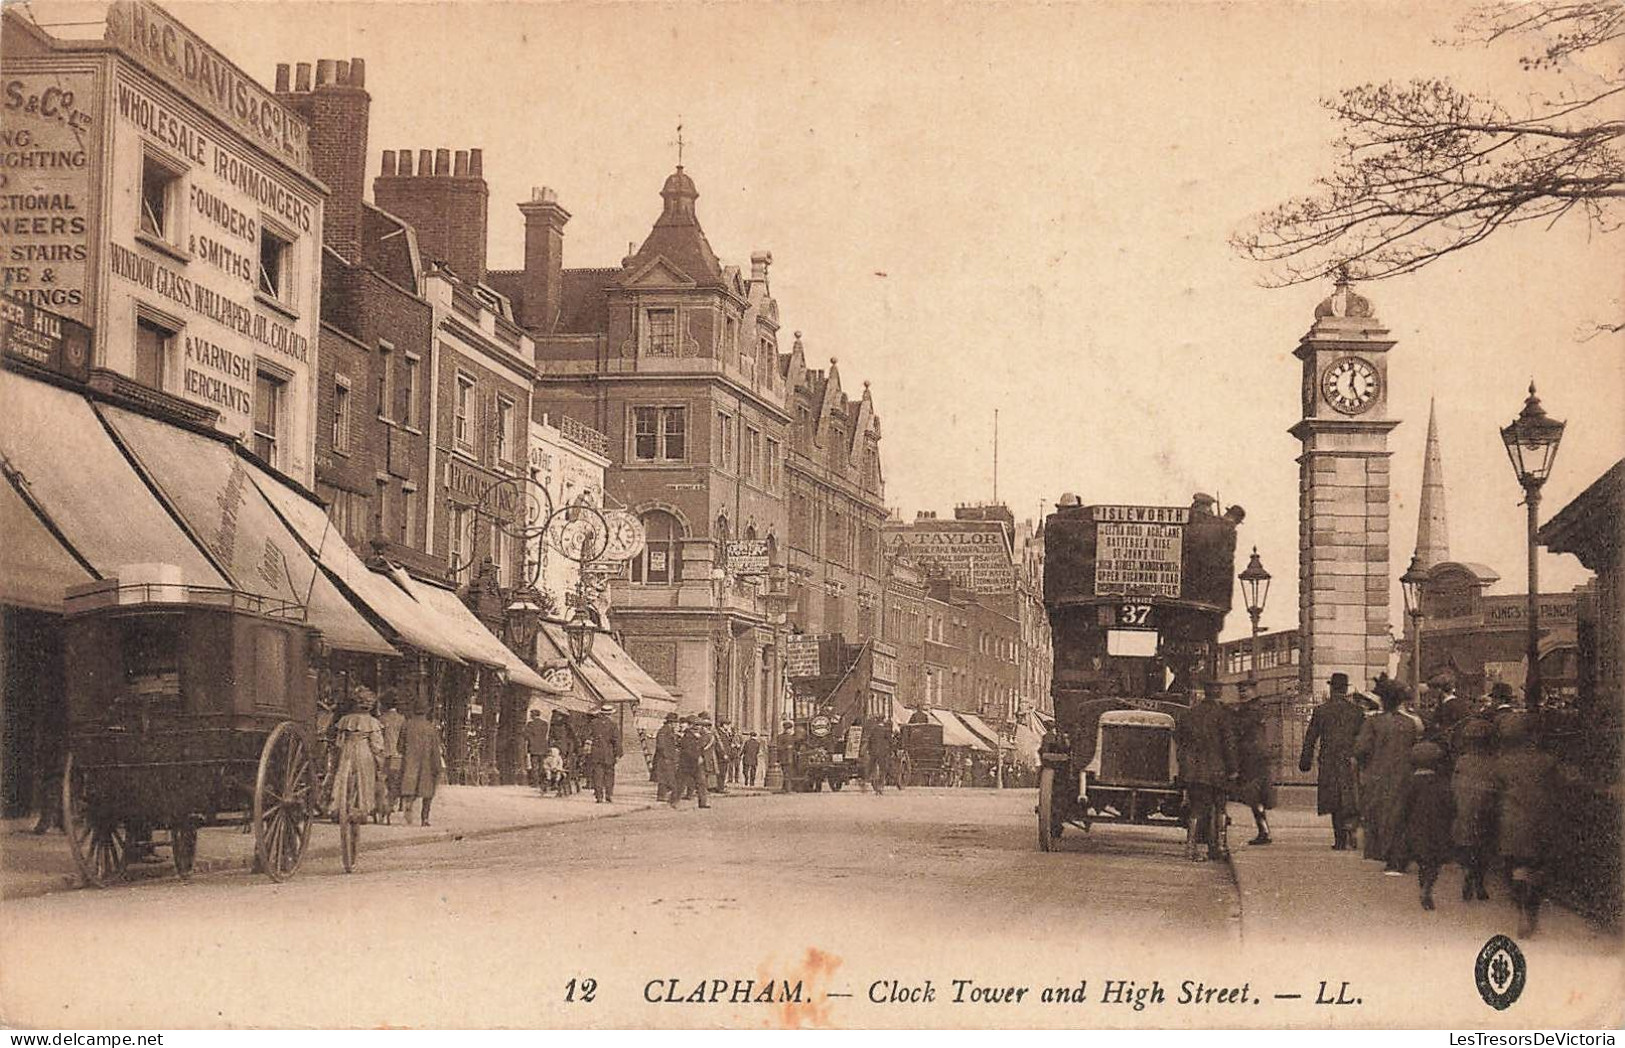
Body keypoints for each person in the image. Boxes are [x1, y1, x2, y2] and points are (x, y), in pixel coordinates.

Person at [1494, 714, 1559, 937]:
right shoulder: (1547, 762)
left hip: (1511, 822)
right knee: (1537, 868)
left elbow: (1493, 794)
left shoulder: (1501, 763)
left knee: (1516, 868)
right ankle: (1532, 911)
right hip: (1540, 822)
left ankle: (1521, 908)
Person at [1354, 678, 1419, 873]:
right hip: (1405, 774)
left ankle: (1390, 857)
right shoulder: (1410, 723)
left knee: (1381, 815)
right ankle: (1401, 856)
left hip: (1378, 774)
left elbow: (1361, 748)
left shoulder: (1373, 722)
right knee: (1402, 815)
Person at [1299, 672, 1367, 851]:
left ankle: (1339, 840)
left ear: (1331, 688)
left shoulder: (1321, 710)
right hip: (1351, 760)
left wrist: (1305, 762)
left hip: (1329, 760)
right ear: (1345, 689)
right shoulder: (1357, 711)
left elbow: (1311, 738)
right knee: (1351, 797)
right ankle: (1351, 831)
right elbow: (1363, 739)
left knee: (1334, 800)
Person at [1176, 680, 1237, 862]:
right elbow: (1229, 744)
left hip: (1193, 770)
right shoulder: (1224, 715)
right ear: (1218, 693)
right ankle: (1220, 846)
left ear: (1205, 692)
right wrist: (1233, 768)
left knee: (1196, 808)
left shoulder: (1190, 714)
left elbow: (1178, 737)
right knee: (1220, 807)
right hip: (1217, 770)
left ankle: (1191, 847)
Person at [1393, 741, 1455, 910]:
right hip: (1438, 829)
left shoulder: (1410, 783)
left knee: (1422, 862)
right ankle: (1428, 886)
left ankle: (1423, 886)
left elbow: (1402, 808)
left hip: (1416, 830)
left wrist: (1399, 826)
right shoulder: (1442, 783)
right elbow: (1451, 806)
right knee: (1434, 864)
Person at [1451, 717, 1498, 902]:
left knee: (1466, 845)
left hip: (1465, 808)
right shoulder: (1494, 762)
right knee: (1484, 846)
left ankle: (1468, 872)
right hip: (1486, 808)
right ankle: (1479, 881)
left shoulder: (1462, 761)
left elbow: (1454, 786)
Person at [332, 686, 387, 829]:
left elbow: (338, 742)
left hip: (347, 750)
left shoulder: (345, 720)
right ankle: (362, 809)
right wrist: (380, 761)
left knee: (345, 778)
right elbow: (376, 745)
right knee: (364, 779)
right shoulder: (372, 722)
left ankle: (341, 808)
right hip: (364, 752)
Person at [1230, 680, 1275, 845]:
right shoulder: (1252, 708)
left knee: (1255, 796)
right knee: (1255, 797)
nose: (1242, 694)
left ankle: (1264, 831)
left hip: (1252, 758)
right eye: (1240, 691)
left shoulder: (1252, 709)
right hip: (1255, 757)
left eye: (1246, 691)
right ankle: (1264, 830)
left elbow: (1240, 728)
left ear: (1254, 691)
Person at [399, 698, 444, 827]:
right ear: (426, 711)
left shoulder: (406, 725)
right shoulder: (431, 728)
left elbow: (399, 747)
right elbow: (435, 749)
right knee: (428, 792)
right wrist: (438, 766)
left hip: (409, 762)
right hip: (427, 765)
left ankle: (408, 810)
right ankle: (424, 818)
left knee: (409, 788)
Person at [378, 692, 406, 821]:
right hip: (398, 755)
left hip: (384, 753)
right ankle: (395, 804)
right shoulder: (402, 719)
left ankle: (384, 804)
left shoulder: (382, 719)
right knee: (395, 780)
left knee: (383, 780)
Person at [585, 705, 622, 803]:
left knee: (597, 774)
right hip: (609, 753)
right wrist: (618, 753)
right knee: (609, 775)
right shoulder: (613, 725)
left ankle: (599, 796)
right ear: (610, 714)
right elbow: (616, 740)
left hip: (596, 753)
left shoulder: (593, 723)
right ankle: (609, 795)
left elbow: (587, 737)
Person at [677, 713, 714, 809]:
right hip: (688, 762)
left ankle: (703, 802)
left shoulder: (702, 735)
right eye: (696, 725)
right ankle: (674, 801)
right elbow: (688, 749)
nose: (698, 727)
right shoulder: (687, 735)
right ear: (691, 725)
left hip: (698, 763)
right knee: (682, 782)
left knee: (701, 783)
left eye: (700, 725)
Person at [861, 717, 893, 796]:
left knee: (871, 768)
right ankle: (880, 786)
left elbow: (869, 741)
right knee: (882, 769)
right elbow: (890, 741)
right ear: (883, 721)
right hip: (882, 753)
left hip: (873, 752)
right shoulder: (886, 730)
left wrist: (868, 750)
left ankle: (867, 784)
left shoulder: (873, 730)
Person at [653, 712, 681, 802]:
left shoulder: (669, 731)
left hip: (669, 758)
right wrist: (667, 756)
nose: (676, 725)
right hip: (664, 758)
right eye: (675, 723)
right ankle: (664, 796)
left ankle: (662, 796)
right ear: (670, 722)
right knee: (666, 778)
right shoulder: (664, 731)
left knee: (665, 778)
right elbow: (661, 745)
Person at [523, 709, 551, 791]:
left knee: (534, 766)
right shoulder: (545, 723)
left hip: (534, 747)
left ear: (533, 715)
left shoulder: (530, 724)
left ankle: (536, 782)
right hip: (543, 747)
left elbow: (525, 734)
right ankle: (543, 782)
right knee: (542, 766)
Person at [775, 721, 798, 793]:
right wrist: (787, 747)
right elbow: (779, 747)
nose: (789, 730)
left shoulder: (792, 737)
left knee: (789, 773)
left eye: (790, 729)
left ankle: (785, 788)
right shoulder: (780, 737)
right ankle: (788, 789)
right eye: (788, 729)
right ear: (785, 729)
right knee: (786, 773)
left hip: (791, 757)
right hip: (785, 758)